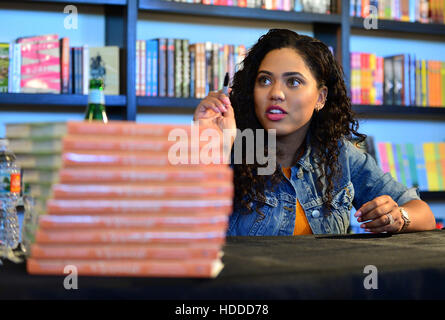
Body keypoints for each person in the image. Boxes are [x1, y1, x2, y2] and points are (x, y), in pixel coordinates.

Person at [193, 28, 436, 236]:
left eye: (293, 82)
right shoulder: (232, 146)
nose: (276, 93)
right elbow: (186, 232)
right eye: (265, 80)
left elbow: (423, 214)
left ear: (320, 98)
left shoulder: (338, 153)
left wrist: (398, 216)